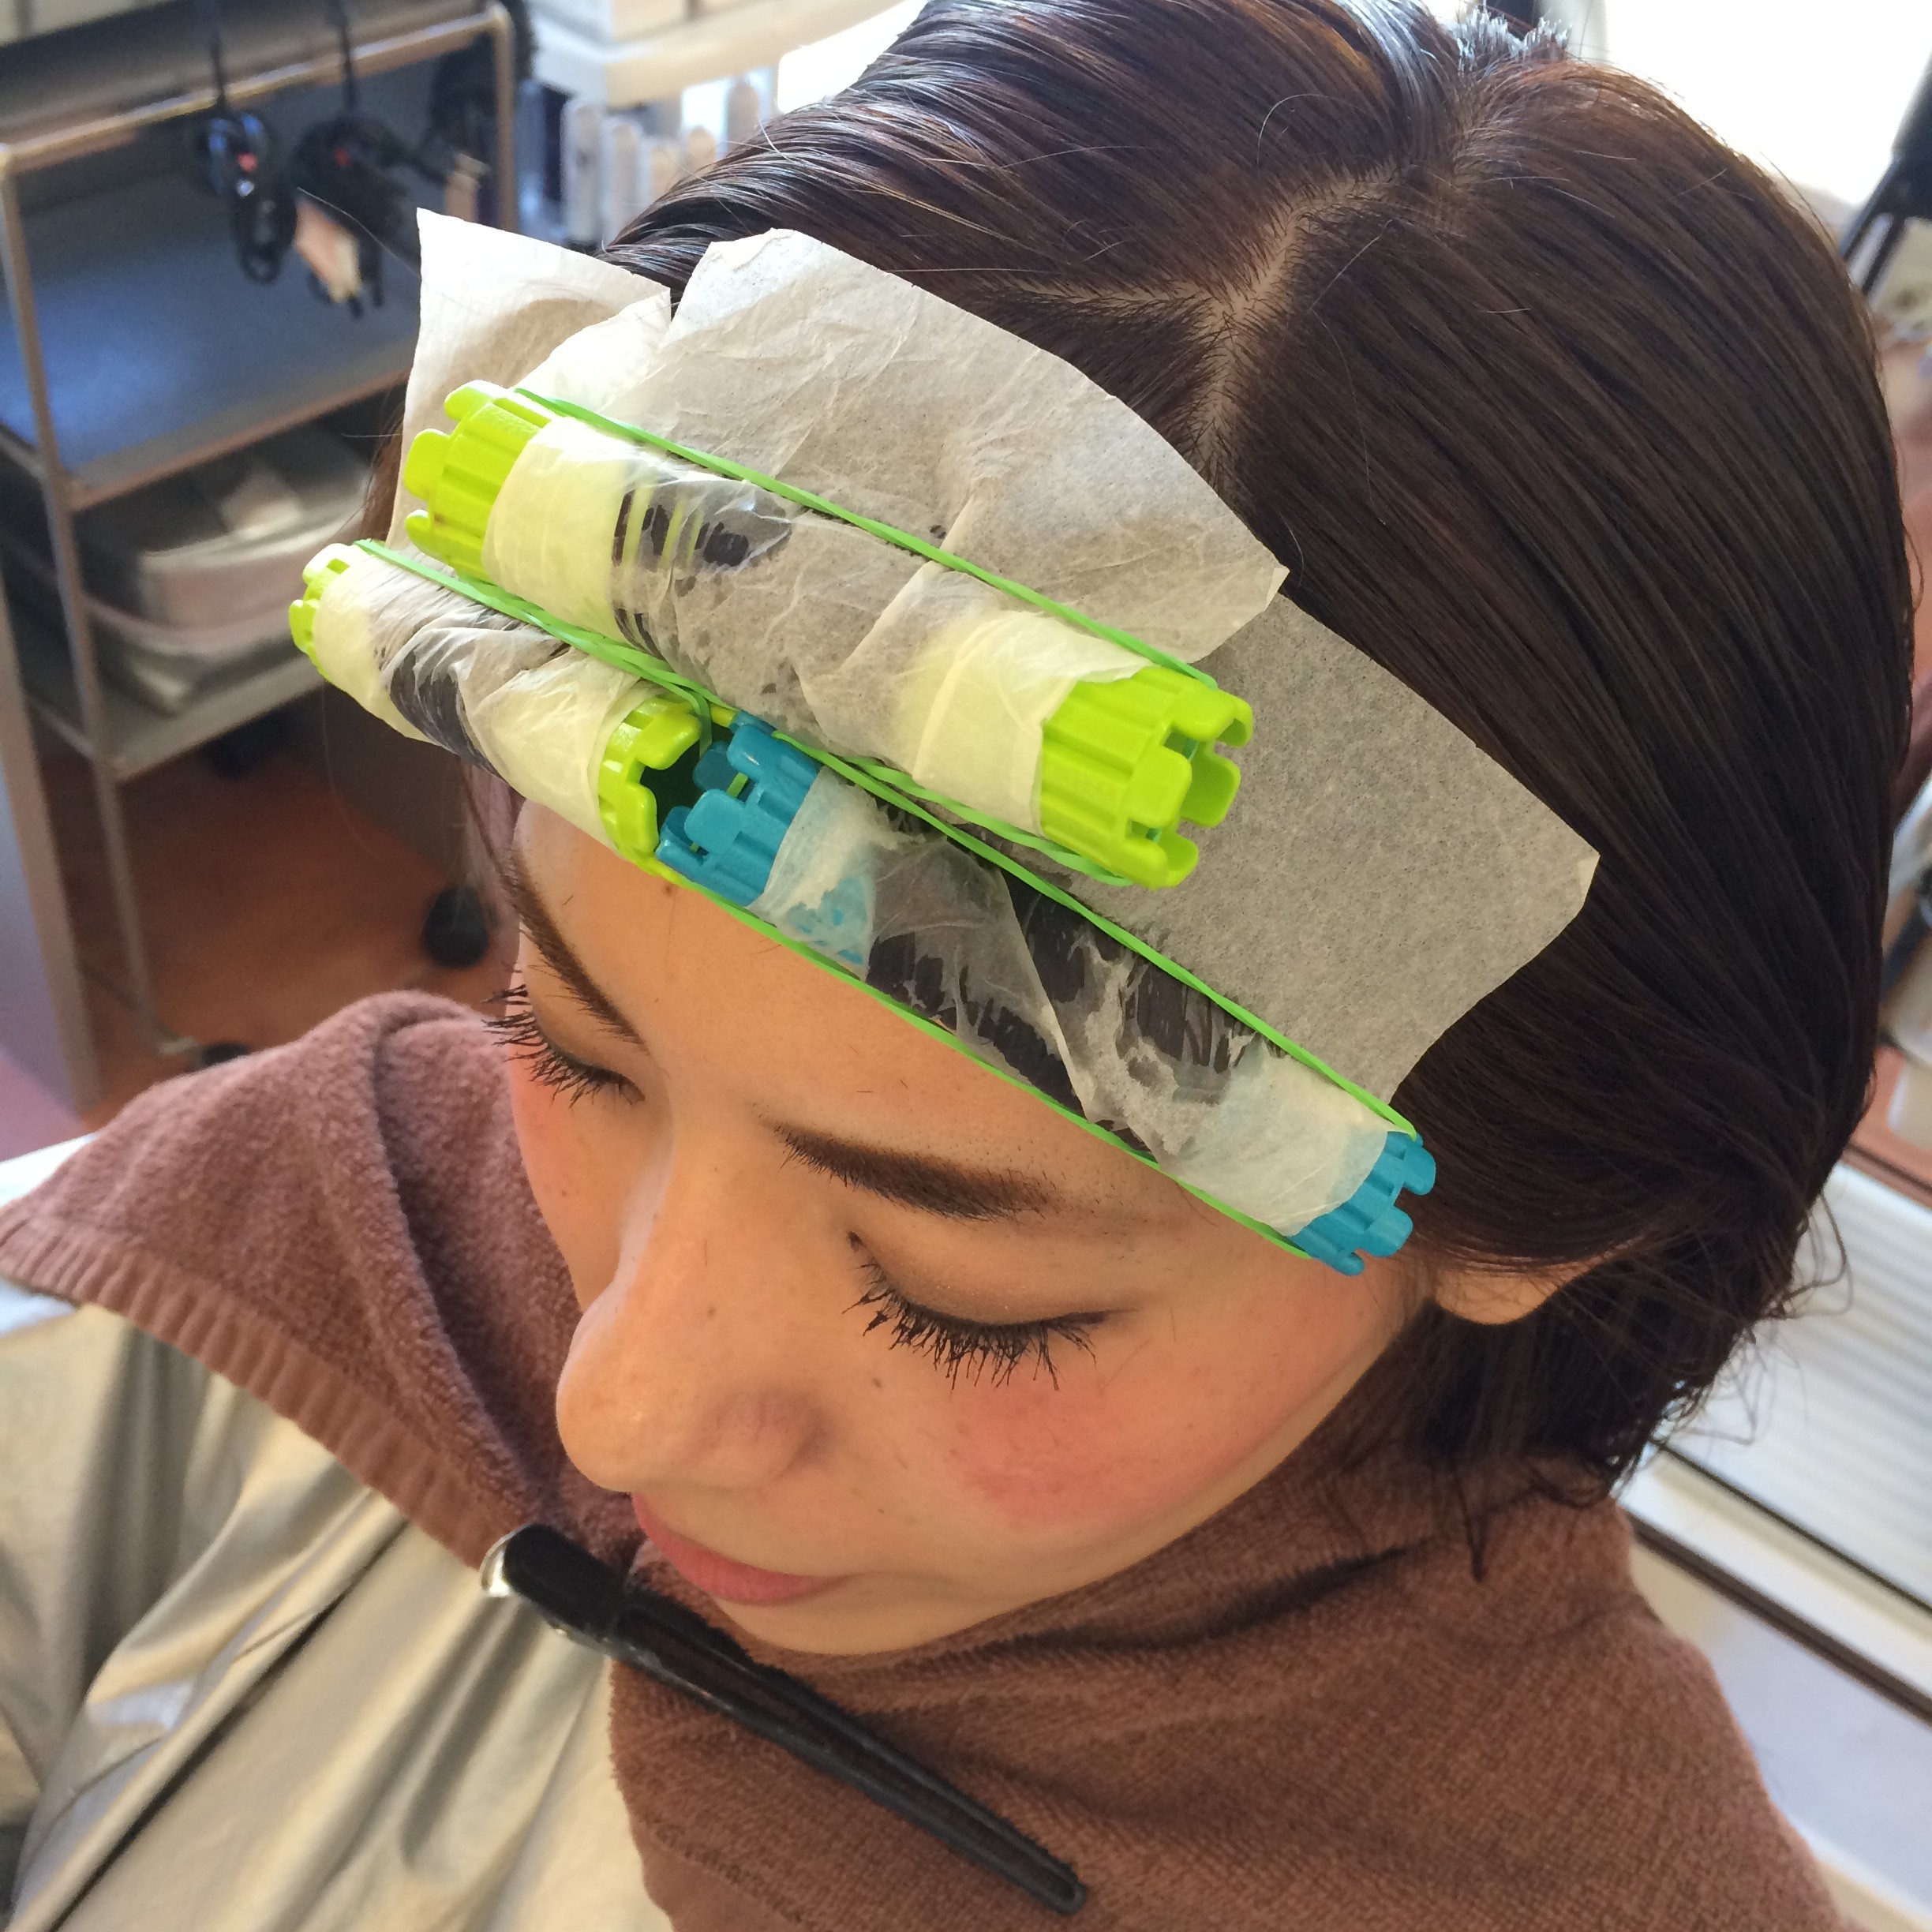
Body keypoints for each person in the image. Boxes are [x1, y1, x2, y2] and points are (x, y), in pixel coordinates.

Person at [0, 2, 1912, 1928]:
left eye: (958, 1294)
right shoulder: (287, 1218)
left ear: (1555, 1219)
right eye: (569, 1041)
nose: (617, 1401)